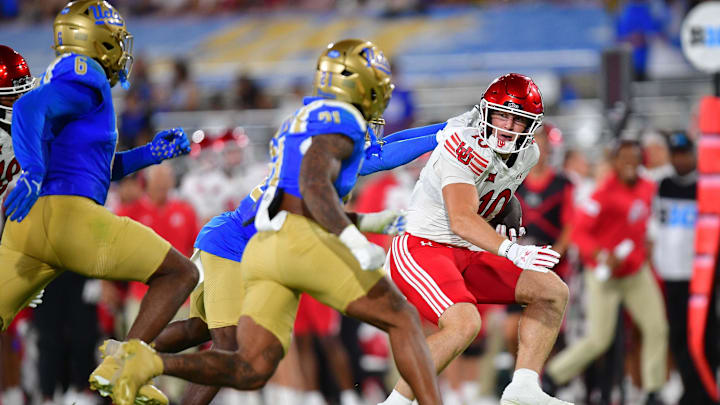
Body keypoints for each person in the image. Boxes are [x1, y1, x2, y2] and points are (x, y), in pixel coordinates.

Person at [101, 39, 443, 405]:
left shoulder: (308, 120)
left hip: (257, 242)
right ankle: (131, 356)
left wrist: (443, 133)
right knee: (231, 346)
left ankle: (136, 356)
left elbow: (328, 183)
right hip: (247, 243)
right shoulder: (340, 120)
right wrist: (355, 236)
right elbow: (331, 180)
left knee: (230, 351)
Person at [0, 2, 199, 404]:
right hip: (72, 221)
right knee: (180, 274)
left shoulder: (61, 84)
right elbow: (26, 108)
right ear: (96, 40)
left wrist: (150, 154)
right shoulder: (85, 73)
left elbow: (94, 169)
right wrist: (33, 172)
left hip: (30, 227)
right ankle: (126, 366)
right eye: (116, 38)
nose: (121, 48)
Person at [381, 73, 571, 405]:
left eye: (518, 120)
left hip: (466, 252)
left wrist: (509, 204)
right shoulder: (464, 144)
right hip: (422, 247)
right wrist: (513, 251)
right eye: (502, 115)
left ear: (532, 125)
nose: (508, 126)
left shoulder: (529, 155)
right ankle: (396, 402)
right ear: (485, 112)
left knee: (552, 292)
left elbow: (490, 190)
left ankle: (523, 386)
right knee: (463, 323)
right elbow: (461, 218)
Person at [543, 139, 668, 405]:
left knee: (657, 326)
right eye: (624, 159)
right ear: (615, 163)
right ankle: (553, 375)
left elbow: (643, 224)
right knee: (599, 338)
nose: (630, 165)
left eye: (635, 159)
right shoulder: (602, 193)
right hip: (604, 273)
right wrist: (601, 255)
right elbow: (579, 232)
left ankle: (653, 391)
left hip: (634, 270)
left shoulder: (647, 188)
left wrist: (642, 249)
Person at [650, 132, 717, 405]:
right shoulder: (662, 185)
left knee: (705, 335)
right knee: (678, 335)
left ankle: (707, 389)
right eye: (675, 154)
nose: (680, 160)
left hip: (701, 275)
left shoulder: (706, 187)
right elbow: (654, 227)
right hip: (672, 275)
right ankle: (690, 390)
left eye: (684, 154)